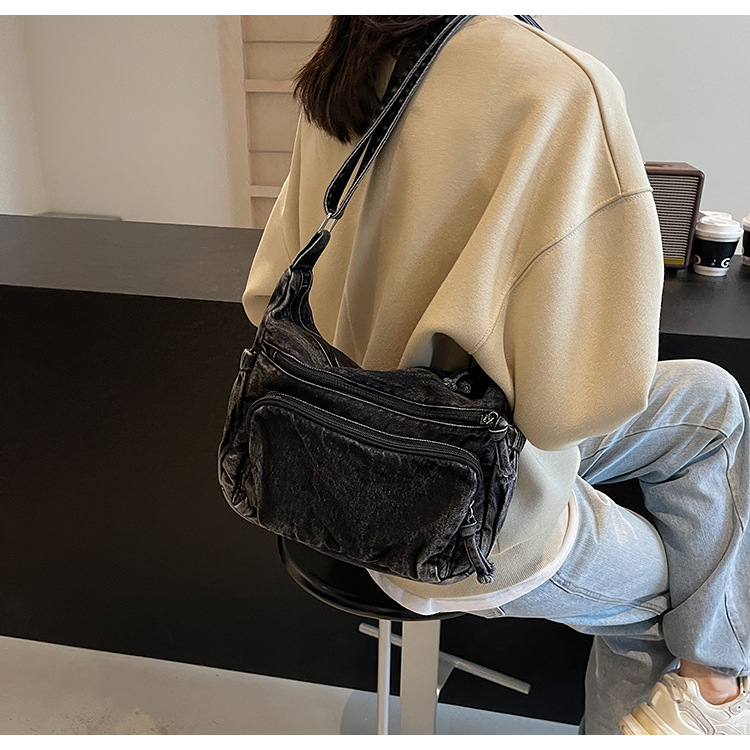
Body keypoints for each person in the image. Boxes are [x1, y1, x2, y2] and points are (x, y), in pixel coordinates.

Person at [241, 16, 750, 734]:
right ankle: (706, 697)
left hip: (327, 469)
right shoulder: (563, 88)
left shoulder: (345, 64)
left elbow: (265, 295)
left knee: (710, 399)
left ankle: (712, 695)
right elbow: (566, 410)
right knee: (686, 596)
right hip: (461, 516)